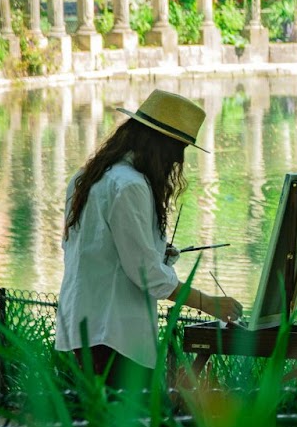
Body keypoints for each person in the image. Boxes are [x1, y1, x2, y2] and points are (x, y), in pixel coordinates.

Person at [55, 89, 241, 390]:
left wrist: (156, 250)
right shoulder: (130, 186)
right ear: (163, 148)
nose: (177, 163)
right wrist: (210, 304)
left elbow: (89, 248)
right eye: (178, 151)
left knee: (104, 424)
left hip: (83, 320)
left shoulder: (86, 176)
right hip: (114, 331)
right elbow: (148, 276)